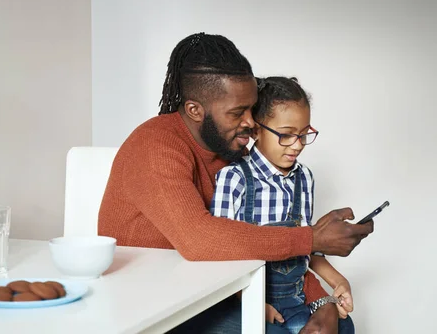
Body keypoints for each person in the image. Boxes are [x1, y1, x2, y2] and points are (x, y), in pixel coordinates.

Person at [97, 32, 373, 333]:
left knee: (341, 328)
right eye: (237, 113)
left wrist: (322, 301)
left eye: (252, 109)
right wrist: (311, 238)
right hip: (152, 303)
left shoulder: (232, 151)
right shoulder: (156, 146)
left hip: (209, 290)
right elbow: (199, 239)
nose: (251, 123)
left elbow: (261, 243)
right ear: (195, 110)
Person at [210, 76, 354, 334]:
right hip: (245, 298)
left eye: (303, 134)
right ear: (256, 130)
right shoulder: (235, 178)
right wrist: (251, 301)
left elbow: (308, 245)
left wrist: (338, 282)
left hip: (295, 300)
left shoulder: (304, 177)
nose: (297, 145)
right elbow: (218, 255)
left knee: (344, 327)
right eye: (286, 135)